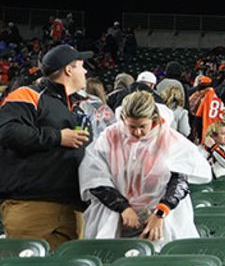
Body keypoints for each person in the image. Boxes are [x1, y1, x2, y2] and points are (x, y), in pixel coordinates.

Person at [79, 91, 212, 245]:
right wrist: (123, 207)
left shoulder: (170, 140)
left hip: (161, 216)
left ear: (153, 119)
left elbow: (179, 181)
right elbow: (95, 178)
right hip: (118, 215)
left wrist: (161, 212)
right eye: (131, 127)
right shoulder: (109, 137)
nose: (137, 132)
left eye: (143, 126)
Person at [0, 44, 93, 248]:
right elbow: (7, 132)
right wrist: (57, 137)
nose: (85, 71)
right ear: (69, 70)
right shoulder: (28, 94)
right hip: (33, 205)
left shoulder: (77, 106)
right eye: (81, 66)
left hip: (72, 207)